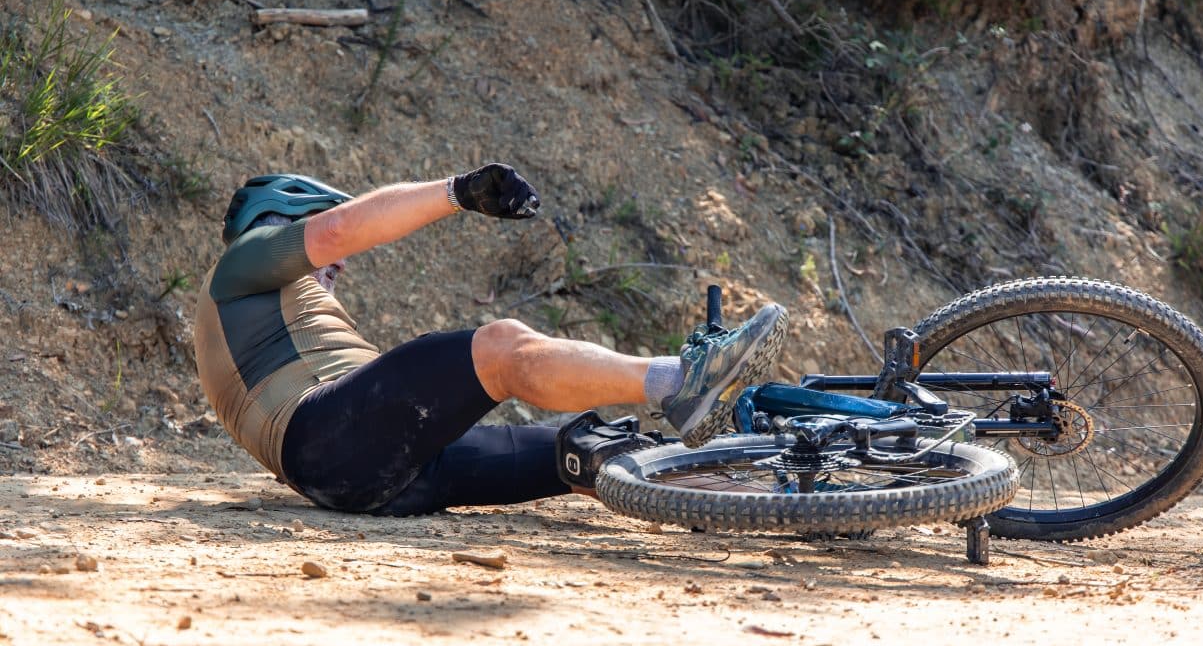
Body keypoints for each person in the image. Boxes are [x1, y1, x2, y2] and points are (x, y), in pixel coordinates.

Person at [193, 165, 788, 515]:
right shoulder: (241, 265)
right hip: (325, 439)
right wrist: (460, 191)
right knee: (501, 350)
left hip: (372, 477)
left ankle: (779, 486)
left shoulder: (261, 327)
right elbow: (341, 230)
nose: (341, 264)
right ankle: (681, 382)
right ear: (281, 219)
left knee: (590, 452)